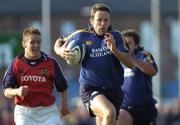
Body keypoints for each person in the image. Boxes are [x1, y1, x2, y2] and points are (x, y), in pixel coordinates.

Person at [54, 3, 134, 125]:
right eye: (99, 20)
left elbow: (131, 63)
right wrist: (61, 51)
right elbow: (59, 41)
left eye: (106, 20)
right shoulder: (81, 35)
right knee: (109, 112)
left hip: (114, 91)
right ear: (91, 20)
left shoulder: (116, 37)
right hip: (91, 88)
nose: (103, 23)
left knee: (106, 120)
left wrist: (114, 50)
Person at [2, 27, 70, 125]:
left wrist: (64, 107)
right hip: (24, 112)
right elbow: (6, 91)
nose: (36, 45)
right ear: (24, 44)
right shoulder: (16, 63)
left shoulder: (51, 62)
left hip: (48, 112)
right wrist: (17, 91)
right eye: (32, 42)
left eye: (38, 42)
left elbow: (63, 87)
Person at [117, 29, 158, 125]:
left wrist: (133, 59)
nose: (126, 47)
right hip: (126, 109)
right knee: (120, 118)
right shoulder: (118, 61)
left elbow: (153, 70)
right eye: (124, 44)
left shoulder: (143, 55)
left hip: (145, 110)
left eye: (129, 43)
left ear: (136, 45)